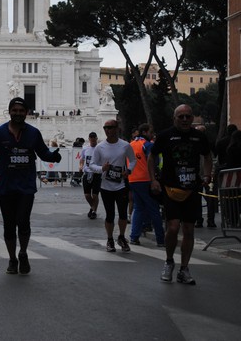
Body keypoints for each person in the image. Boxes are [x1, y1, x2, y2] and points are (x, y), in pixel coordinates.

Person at [0, 97, 62, 275]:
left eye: (21, 110)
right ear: (10, 111)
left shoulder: (34, 133)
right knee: (10, 225)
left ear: (26, 113)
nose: (18, 113)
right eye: (15, 110)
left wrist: (53, 157)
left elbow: (43, 153)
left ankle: (23, 252)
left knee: (24, 222)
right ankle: (12, 258)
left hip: (26, 186)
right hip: (6, 186)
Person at [149, 104, 213, 285]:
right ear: (174, 118)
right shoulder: (165, 136)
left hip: (192, 189)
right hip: (170, 188)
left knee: (189, 229)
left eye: (188, 116)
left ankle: (184, 269)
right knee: (174, 227)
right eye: (181, 116)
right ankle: (169, 261)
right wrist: (153, 179)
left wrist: (208, 174)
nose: (185, 119)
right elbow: (152, 157)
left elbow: (208, 156)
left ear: (192, 118)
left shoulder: (199, 137)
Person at [89, 119, 136, 253]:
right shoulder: (100, 147)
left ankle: (121, 237)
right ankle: (110, 239)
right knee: (109, 215)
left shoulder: (125, 145)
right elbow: (92, 164)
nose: (107, 130)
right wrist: (102, 168)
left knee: (122, 214)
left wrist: (129, 170)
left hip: (120, 184)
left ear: (117, 129)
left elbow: (133, 160)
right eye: (105, 128)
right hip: (106, 185)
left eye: (110, 127)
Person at [128, 124, 165, 246]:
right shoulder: (148, 145)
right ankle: (160, 239)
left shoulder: (131, 144)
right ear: (144, 132)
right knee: (154, 209)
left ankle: (134, 237)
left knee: (138, 208)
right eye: (151, 132)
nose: (152, 135)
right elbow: (152, 160)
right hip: (145, 179)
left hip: (132, 179)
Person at [80, 132, 101, 219]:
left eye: (94, 140)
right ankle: (93, 207)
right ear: (89, 140)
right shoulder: (85, 148)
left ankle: (93, 211)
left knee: (95, 194)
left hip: (96, 173)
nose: (93, 142)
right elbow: (82, 159)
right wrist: (80, 166)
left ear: (96, 139)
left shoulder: (100, 148)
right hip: (87, 173)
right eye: (91, 140)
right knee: (87, 195)